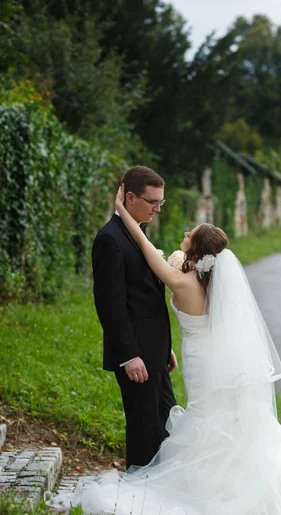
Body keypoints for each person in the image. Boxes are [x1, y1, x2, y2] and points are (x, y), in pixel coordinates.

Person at [53, 184, 281, 515]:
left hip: (203, 365)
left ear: (197, 252)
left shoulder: (182, 280)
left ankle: (201, 499)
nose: (182, 235)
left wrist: (121, 210)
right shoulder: (203, 280)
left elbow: (149, 254)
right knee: (215, 425)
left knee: (206, 424)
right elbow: (170, 267)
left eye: (188, 236)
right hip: (205, 358)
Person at [92, 167, 177, 470]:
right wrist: (128, 355)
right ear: (129, 197)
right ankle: (139, 499)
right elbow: (110, 305)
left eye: (160, 202)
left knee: (168, 425)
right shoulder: (110, 239)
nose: (157, 208)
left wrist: (164, 346)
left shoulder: (139, 232)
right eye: (152, 201)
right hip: (135, 356)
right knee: (144, 431)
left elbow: (146, 298)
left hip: (153, 351)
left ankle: (158, 492)